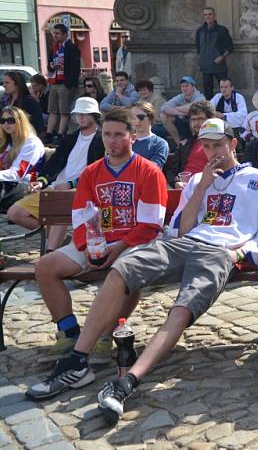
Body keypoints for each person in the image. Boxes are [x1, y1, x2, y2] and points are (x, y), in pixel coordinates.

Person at [28, 119, 258, 419]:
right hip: (186, 243)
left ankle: (129, 380)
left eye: (219, 145)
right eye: (207, 146)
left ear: (232, 144)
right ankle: (79, 360)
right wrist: (203, 187)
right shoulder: (199, 180)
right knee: (123, 269)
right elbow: (182, 230)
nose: (213, 152)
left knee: (183, 307)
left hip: (222, 252)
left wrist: (239, 254)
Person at [22, 108, 168, 381]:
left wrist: (117, 248)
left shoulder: (148, 172)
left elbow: (150, 224)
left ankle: (105, 333)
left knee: (124, 272)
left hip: (134, 243)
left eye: (118, 135)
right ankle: (69, 332)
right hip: (97, 242)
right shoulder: (91, 173)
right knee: (45, 267)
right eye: (107, 134)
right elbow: (80, 217)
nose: (112, 141)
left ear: (132, 137)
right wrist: (88, 246)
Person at [7, 98, 104, 252]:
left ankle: (50, 252)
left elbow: (100, 172)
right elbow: (53, 165)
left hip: (83, 191)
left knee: (60, 206)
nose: (81, 117)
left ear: (95, 115)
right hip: (55, 188)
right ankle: (57, 238)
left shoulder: (102, 140)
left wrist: (71, 184)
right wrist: (41, 182)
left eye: (85, 114)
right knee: (15, 213)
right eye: (78, 114)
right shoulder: (70, 139)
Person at [0, 106, 46, 211]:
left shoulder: (31, 143)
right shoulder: (7, 141)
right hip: (8, 184)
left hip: (26, 186)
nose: (6, 124)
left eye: (11, 120)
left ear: (21, 121)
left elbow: (18, 173)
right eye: (3, 120)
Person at [164, 100, 213, 188]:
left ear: (210, 119)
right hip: (186, 189)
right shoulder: (184, 144)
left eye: (200, 119)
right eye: (193, 119)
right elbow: (171, 171)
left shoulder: (220, 143)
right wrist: (176, 182)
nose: (196, 123)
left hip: (210, 187)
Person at [46, 24, 82, 145]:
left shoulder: (71, 47)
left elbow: (75, 67)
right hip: (54, 81)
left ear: (65, 35)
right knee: (52, 110)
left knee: (64, 111)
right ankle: (49, 133)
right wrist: (51, 67)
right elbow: (49, 63)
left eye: (57, 33)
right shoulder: (54, 47)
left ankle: (61, 134)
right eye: (54, 33)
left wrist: (69, 83)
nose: (55, 36)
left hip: (65, 83)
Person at [195, 7, 233, 100]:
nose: (208, 16)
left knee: (225, 90)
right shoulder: (199, 31)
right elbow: (198, 48)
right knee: (207, 92)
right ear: (203, 16)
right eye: (205, 14)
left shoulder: (222, 30)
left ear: (214, 15)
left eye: (210, 14)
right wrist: (200, 60)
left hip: (219, 66)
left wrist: (222, 57)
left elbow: (230, 47)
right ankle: (209, 111)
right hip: (205, 66)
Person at [156, 76, 206, 145]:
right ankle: (178, 144)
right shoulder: (180, 97)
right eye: (182, 86)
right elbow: (163, 108)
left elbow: (192, 108)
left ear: (193, 87)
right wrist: (183, 113)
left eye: (187, 86)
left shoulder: (199, 96)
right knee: (163, 115)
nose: (184, 88)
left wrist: (175, 109)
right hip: (183, 122)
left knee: (193, 115)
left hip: (197, 125)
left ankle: (195, 143)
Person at [130, 101, 169, 169]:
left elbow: (153, 169)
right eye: (133, 117)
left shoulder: (160, 143)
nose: (137, 121)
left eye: (140, 117)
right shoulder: (125, 141)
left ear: (150, 118)